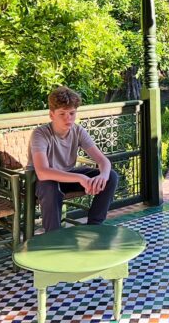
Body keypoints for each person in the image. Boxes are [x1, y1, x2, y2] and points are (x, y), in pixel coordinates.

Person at [28, 86, 118, 232]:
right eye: (62, 114)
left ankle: (94, 227)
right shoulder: (40, 134)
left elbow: (103, 161)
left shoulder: (78, 130)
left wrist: (103, 176)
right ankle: (53, 236)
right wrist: (80, 178)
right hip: (40, 182)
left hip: (67, 177)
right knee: (50, 187)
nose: (68, 118)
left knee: (111, 176)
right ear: (51, 115)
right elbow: (42, 172)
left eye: (71, 113)